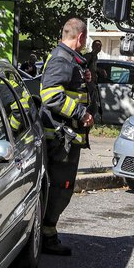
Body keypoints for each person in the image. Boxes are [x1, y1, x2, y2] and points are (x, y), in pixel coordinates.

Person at [38, 18, 95, 256]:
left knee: (59, 187)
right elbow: (50, 95)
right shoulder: (63, 59)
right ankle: (46, 237)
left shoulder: (67, 59)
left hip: (64, 137)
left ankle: (45, 234)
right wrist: (81, 113)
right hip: (61, 139)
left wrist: (84, 78)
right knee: (60, 188)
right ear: (80, 37)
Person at [85, 40, 103, 121]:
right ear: (93, 46)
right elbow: (84, 68)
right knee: (91, 105)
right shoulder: (89, 56)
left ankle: (92, 119)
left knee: (94, 104)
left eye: (100, 46)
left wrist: (100, 71)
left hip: (94, 84)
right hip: (89, 84)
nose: (98, 48)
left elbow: (94, 69)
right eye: (97, 46)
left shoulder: (96, 57)